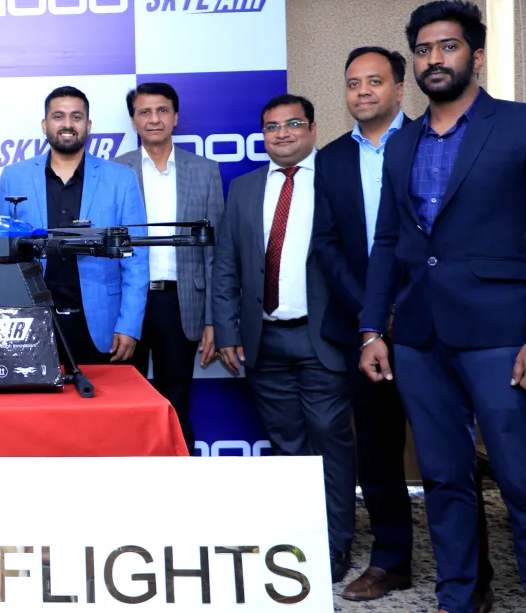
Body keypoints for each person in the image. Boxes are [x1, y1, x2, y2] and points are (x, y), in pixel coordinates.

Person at [359, 3, 526, 611]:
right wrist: (372, 329)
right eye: (424, 49)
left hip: (502, 333)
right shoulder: (402, 142)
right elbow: (387, 241)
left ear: (476, 57)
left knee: (519, 479)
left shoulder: (517, 126)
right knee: (444, 478)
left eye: (448, 47)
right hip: (419, 336)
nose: (434, 59)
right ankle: (461, 596)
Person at [211, 94, 356, 583]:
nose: (282, 134)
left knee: (329, 442)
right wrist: (228, 329)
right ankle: (300, 540)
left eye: (293, 124)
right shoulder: (245, 188)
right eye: (272, 126)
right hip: (264, 341)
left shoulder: (336, 178)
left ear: (313, 129)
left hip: (323, 340)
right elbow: (227, 265)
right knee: (286, 446)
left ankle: (335, 543)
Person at [310, 46, 416, 601]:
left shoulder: (430, 142)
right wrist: (373, 314)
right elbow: (327, 246)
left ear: (400, 87)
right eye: (353, 83)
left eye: (375, 81)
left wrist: (405, 306)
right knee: (375, 454)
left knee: (449, 454)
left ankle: (471, 571)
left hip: (431, 324)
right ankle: (391, 560)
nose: (363, 92)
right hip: (366, 330)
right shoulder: (330, 159)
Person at [0, 86, 148, 366]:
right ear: (45, 125)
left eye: (76, 117)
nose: (68, 124)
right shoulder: (14, 177)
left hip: (101, 326)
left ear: (88, 125)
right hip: (31, 323)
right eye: (59, 116)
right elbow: (0, 258)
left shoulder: (121, 179)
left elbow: (136, 259)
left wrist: (129, 325)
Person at [114, 82, 224, 454]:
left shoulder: (205, 171)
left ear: (175, 117)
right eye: (144, 112)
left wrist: (213, 318)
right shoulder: (116, 171)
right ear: (133, 121)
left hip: (181, 303)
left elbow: (214, 252)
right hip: (128, 302)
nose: (154, 119)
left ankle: (178, 475)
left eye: (162, 110)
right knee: (123, 400)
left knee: (176, 399)